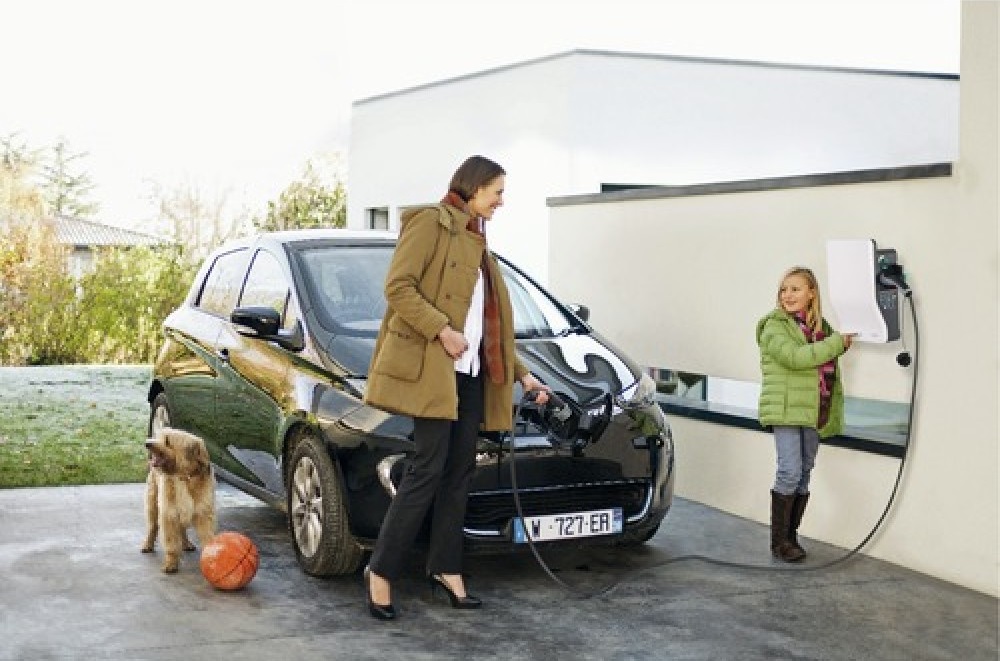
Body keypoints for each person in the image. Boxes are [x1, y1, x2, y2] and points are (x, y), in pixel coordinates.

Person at [361, 155, 550, 620]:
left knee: (460, 471)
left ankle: (445, 567)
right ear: (474, 187)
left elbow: (490, 327)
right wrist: (441, 330)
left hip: (470, 375)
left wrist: (523, 373)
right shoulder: (430, 223)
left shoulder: (479, 243)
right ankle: (381, 571)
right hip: (433, 370)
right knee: (427, 469)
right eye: (497, 192)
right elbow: (399, 287)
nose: (501, 202)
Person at [756, 266, 853, 562]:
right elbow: (795, 358)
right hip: (785, 410)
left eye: (795, 289)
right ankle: (779, 543)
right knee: (789, 471)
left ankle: (791, 537)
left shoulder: (819, 329)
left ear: (812, 294)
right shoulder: (772, 326)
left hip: (813, 410)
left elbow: (829, 351)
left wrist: (843, 338)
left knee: (805, 470)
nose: (788, 295)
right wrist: (837, 343)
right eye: (784, 289)